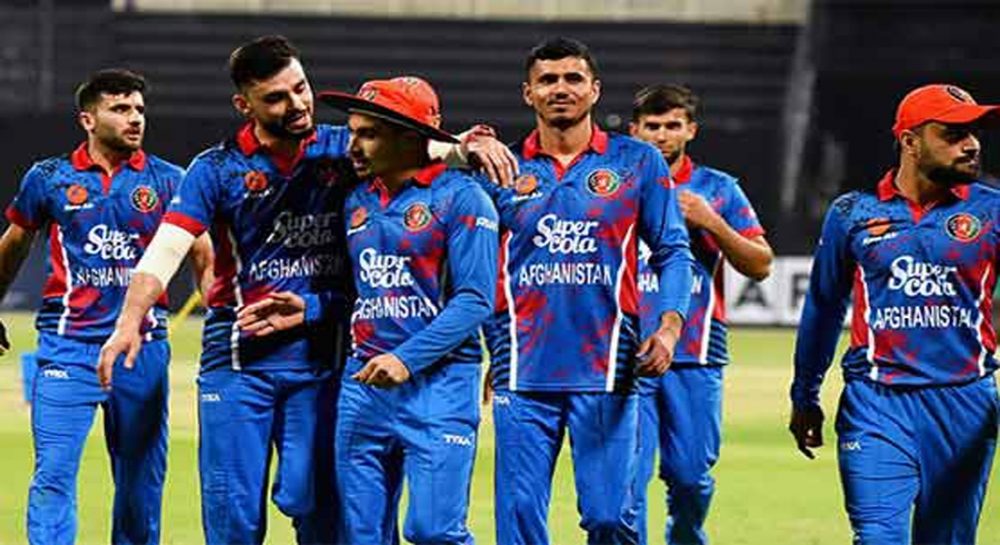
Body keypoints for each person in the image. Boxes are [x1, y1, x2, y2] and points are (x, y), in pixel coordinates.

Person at [98, 35, 515, 545]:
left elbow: (415, 143)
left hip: (323, 352)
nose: (296, 104)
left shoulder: (341, 148)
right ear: (244, 105)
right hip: (240, 352)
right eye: (276, 97)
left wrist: (472, 144)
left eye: (300, 88)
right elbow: (167, 248)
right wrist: (128, 322)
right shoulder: (217, 167)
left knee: (312, 504)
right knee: (233, 518)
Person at [246, 75, 499, 544]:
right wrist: (312, 308)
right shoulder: (357, 201)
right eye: (353, 132)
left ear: (410, 138)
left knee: (433, 531)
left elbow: (475, 300)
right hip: (363, 385)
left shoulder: (463, 198)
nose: (353, 146)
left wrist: (406, 359)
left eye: (368, 134)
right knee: (360, 534)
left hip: (440, 386)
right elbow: (359, 293)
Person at [478, 37, 694, 545]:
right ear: (528, 93)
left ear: (594, 89)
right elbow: (480, 270)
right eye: (547, 80)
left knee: (609, 517)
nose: (561, 89)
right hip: (522, 370)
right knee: (519, 518)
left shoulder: (637, 161)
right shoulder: (502, 170)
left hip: (608, 369)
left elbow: (673, 251)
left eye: (573, 78)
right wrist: (490, 343)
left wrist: (668, 327)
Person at [0, 68, 212, 545]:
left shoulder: (169, 180)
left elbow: (203, 252)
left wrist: (221, 317)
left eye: (139, 109)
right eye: (120, 108)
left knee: (140, 486)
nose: (135, 118)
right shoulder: (50, 178)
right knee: (53, 474)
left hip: (142, 349)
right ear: (88, 120)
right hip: (68, 346)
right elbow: (14, 242)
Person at [790, 83, 1000, 544]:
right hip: (876, 402)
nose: (971, 144)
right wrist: (804, 394)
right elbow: (824, 307)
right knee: (877, 537)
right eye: (954, 134)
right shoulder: (852, 213)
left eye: (974, 133)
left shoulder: (992, 211)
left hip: (965, 405)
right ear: (910, 141)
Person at [628, 85, 773, 545]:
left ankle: (686, 536)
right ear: (634, 131)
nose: (662, 135)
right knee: (625, 484)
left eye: (673, 125)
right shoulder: (612, 186)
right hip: (624, 357)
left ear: (691, 129)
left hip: (696, 353)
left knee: (690, 476)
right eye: (652, 126)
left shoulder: (718, 189)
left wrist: (711, 220)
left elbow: (761, 264)